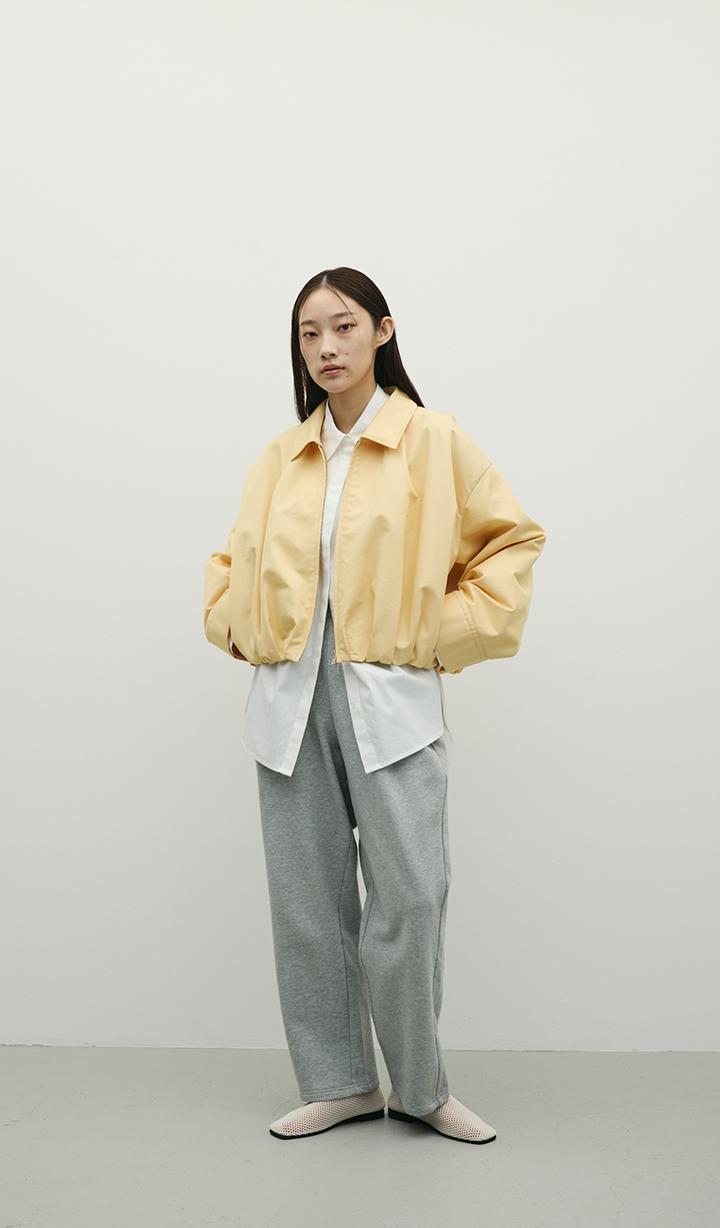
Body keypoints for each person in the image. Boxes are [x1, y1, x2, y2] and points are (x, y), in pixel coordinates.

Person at [204, 267, 545, 1144]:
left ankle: (421, 1090)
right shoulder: (281, 456)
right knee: (308, 907)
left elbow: (511, 543)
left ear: (382, 331)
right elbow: (231, 562)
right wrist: (237, 626)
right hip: (288, 706)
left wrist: (436, 636)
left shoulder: (432, 439)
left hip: (390, 701)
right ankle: (340, 1083)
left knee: (411, 899)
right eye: (309, 333)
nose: (326, 347)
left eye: (344, 326)